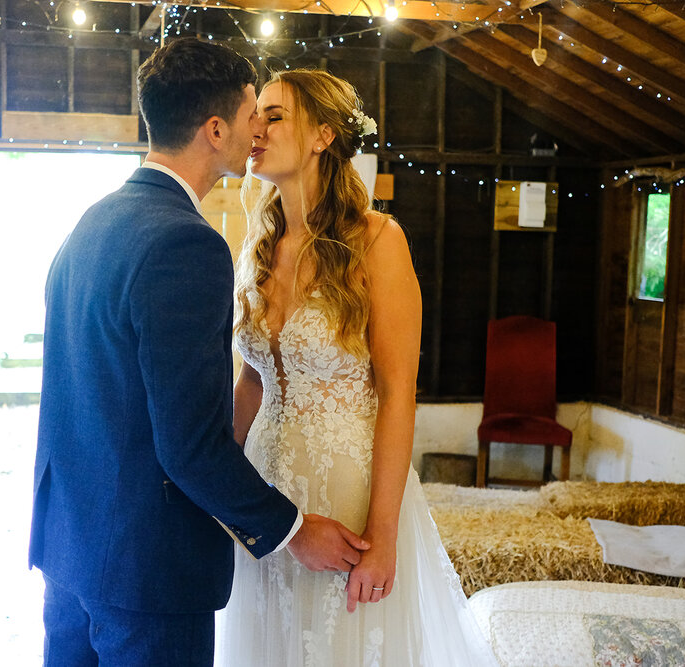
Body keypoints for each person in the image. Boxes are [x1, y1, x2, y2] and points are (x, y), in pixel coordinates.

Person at [29, 39, 370, 667]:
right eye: (250, 116)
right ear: (215, 130)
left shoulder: (90, 224)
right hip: (146, 575)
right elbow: (187, 444)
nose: (257, 131)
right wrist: (293, 531)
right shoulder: (186, 245)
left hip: (70, 554)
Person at [217, 69, 500, 666]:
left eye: (274, 116)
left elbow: (399, 395)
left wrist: (384, 538)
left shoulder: (378, 240)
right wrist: (220, 482)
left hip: (347, 491)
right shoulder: (256, 245)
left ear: (322, 135)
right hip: (266, 495)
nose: (256, 129)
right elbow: (251, 378)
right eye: (255, 115)